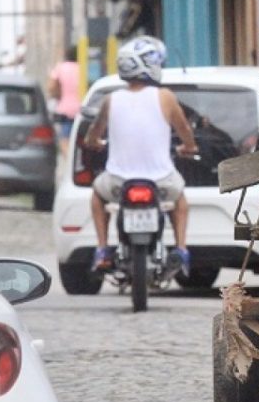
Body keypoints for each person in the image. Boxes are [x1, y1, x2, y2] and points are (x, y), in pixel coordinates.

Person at [82, 36, 199, 275]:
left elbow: (93, 134)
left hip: (117, 183)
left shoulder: (110, 100)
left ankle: (103, 249)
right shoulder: (165, 97)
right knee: (180, 201)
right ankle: (181, 249)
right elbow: (184, 129)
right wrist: (189, 147)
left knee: (96, 195)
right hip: (161, 182)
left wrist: (94, 143)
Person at [47, 47, 81, 154]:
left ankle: (69, 161)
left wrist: (58, 96)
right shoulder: (85, 67)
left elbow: (51, 87)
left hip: (65, 110)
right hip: (84, 109)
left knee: (65, 140)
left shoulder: (60, 68)